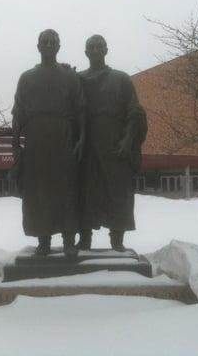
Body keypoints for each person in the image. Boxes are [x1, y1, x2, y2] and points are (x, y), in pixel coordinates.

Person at [11, 29, 85, 257]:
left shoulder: (70, 76)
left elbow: (81, 108)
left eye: (54, 42)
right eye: (45, 42)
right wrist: (15, 143)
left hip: (63, 135)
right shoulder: (27, 77)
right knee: (38, 190)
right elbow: (19, 111)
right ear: (38, 46)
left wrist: (81, 137)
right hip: (36, 138)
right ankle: (43, 240)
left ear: (59, 47)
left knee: (66, 189)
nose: (49, 45)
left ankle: (69, 240)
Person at [77, 35, 147, 251]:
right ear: (86, 52)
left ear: (106, 50)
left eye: (100, 47)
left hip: (115, 142)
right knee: (84, 190)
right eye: (91, 47)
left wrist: (127, 141)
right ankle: (85, 238)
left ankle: (117, 240)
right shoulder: (76, 79)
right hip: (87, 143)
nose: (96, 50)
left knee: (118, 192)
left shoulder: (121, 79)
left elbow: (134, 112)